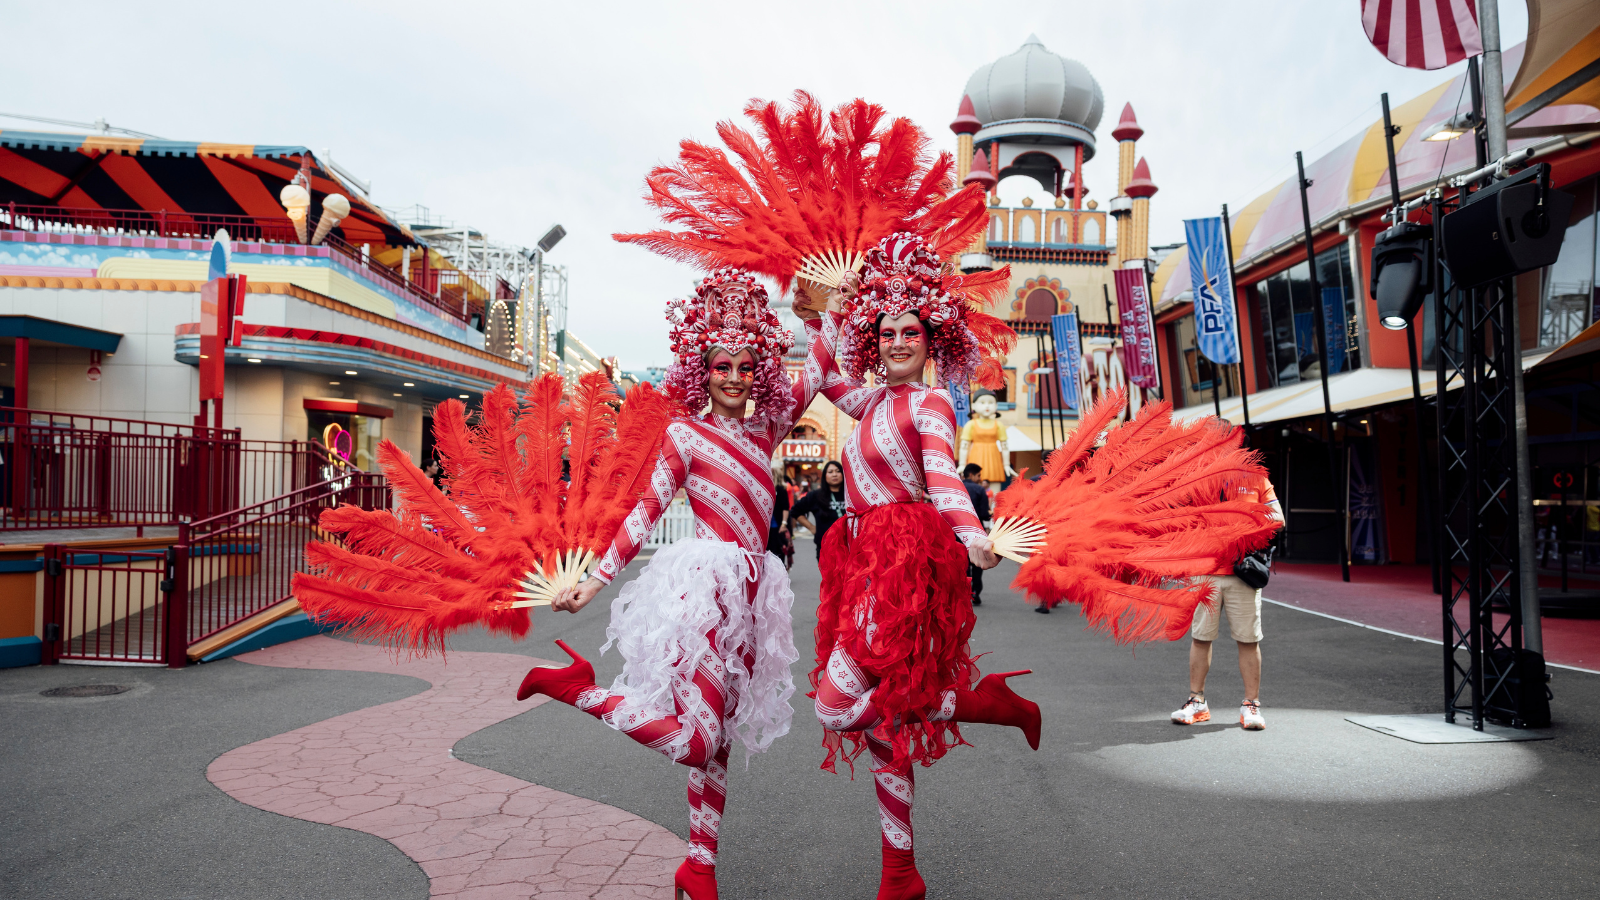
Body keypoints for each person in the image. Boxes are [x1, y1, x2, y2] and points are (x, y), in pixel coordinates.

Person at [525, 269, 837, 900]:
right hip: (704, 595)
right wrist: (595, 582)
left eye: (748, 367)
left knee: (716, 741)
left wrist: (822, 314)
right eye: (724, 365)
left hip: (752, 597)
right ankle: (577, 691)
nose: (735, 378)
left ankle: (699, 868)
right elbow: (643, 514)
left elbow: (818, 373)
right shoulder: (683, 435)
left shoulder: (765, 430)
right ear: (704, 368)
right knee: (696, 743)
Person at [809, 233, 1039, 900]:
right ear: (873, 341)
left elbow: (942, 481)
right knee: (886, 720)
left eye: (911, 331)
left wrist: (975, 539)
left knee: (835, 706)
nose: (898, 342)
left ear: (933, 339)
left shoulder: (931, 403)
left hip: (901, 565)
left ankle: (981, 705)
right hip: (859, 563)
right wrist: (826, 310)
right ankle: (900, 873)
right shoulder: (872, 402)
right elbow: (824, 379)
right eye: (886, 332)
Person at [1171, 476, 1284, 731]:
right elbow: (1179, 518)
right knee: (1200, 637)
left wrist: (1242, 521)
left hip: (1242, 572)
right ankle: (1196, 701)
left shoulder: (1257, 479)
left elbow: (1278, 519)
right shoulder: (1198, 477)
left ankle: (1251, 705)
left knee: (1248, 640)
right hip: (1204, 571)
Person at [790, 460, 848, 560]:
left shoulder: (850, 495)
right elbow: (795, 511)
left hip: (849, 547)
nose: (834, 474)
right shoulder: (816, 495)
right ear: (825, 476)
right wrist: (811, 527)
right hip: (826, 548)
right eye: (830, 472)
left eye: (838, 471)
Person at [957, 389, 1014, 484]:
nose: (987, 406)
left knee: (994, 489)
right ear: (974, 405)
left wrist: (1006, 464)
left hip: (994, 459)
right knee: (975, 483)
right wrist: (962, 464)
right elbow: (964, 446)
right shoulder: (971, 424)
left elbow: (1005, 447)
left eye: (991, 402)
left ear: (996, 405)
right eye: (982, 402)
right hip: (976, 457)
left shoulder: (999, 425)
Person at [962, 463, 992, 606]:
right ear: (972, 474)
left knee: (962, 564)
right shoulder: (980, 490)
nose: (980, 479)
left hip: (956, 532)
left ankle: (964, 591)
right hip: (975, 531)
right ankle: (975, 592)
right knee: (977, 562)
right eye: (978, 475)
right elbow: (984, 514)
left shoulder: (956, 487)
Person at [769, 472, 794, 570]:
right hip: (766, 528)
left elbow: (785, 508)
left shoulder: (781, 489)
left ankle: (780, 574)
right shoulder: (764, 488)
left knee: (779, 551)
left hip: (777, 526)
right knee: (767, 552)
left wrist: (784, 524)